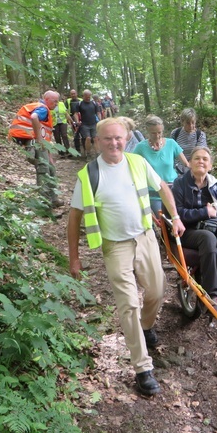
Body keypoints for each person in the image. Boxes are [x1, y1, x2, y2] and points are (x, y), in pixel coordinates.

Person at [67, 118, 185, 396]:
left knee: (157, 291)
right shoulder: (88, 175)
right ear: (97, 142)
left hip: (145, 237)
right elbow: (73, 220)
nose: (113, 143)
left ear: (127, 138)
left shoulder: (137, 162)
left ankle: (146, 326)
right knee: (129, 304)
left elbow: (163, 188)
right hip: (115, 247)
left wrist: (176, 216)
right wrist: (74, 258)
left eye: (118, 138)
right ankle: (143, 368)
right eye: (107, 139)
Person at [172, 146, 217, 311]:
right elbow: (177, 213)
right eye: (197, 158)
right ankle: (213, 294)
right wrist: (205, 212)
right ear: (190, 163)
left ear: (210, 166)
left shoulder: (216, 185)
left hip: (212, 230)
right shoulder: (180, 184)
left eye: (205, 159)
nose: (201, 161)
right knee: (208, 238)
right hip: (186, 232)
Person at [8, 90, 62, 208]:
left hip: (41, 146)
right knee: (43, 171)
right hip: (36, 144)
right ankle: (44, 203)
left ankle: (53, 199)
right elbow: (34, 117)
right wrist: (38, 139)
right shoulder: (42, 108)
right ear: (47, 100)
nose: (56, 104)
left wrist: (49, 155)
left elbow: (45, 135)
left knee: (51, 169)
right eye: (55, 101)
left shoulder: (43, 109)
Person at [133, 115, 189, 216]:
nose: (157, 136)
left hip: (173, 190)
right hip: (154, 192)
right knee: (163, 221)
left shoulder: (171, 144)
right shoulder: (140, 148)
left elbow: (186, 164)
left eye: (159, 132)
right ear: (147, 131)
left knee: (178, 218)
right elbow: (131, 166)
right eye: (153, 133)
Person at [170, 108, 207, 175]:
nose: (191, 126)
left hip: (193, 169)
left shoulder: (200, 135)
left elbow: (201, 154)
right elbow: (170, 152)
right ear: (182, 122)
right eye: (188, 123)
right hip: (176, 170)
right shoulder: (175, 133)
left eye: (193, 122)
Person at [73, 89, 100, 158]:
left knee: (95, 138)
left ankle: (98, 154)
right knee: (87, 138)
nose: (88, 98)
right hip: (84, 124)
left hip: (94, 123)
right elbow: (75, 114)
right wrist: (77, 121)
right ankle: (88, 153)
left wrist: (100, 120)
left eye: (89, 96)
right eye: (87, 96)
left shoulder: (94, 103)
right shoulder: (79, 104)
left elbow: (98, 112)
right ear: (83, 96)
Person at [66, 89, 82, 155]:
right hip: (72, 118)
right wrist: (69, 120)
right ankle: (77, 149)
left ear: (76, 93)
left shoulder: (80, 100)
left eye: (74, 93)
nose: (73, 95)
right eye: (72, 94)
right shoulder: (68, 101)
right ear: (70, 94)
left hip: (80, 117)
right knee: (75, 133)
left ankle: (84, 147)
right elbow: (65, 110)